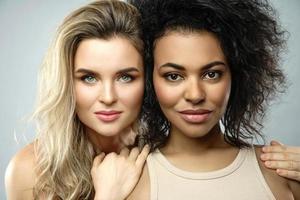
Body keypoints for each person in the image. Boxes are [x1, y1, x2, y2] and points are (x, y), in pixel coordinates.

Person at [126, 0, 300, 199]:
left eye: (211, 74)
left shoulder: (281, 174)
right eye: (174, 76)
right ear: (149, 79)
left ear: (237, 75)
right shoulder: (128, 180)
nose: (195, 95)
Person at [5, 0, 149, 199]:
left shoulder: (166, 161)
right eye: (89, 78)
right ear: (66, 83)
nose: (108, 97)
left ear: (147, 80)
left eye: (125, 77)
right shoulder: (29, 171)